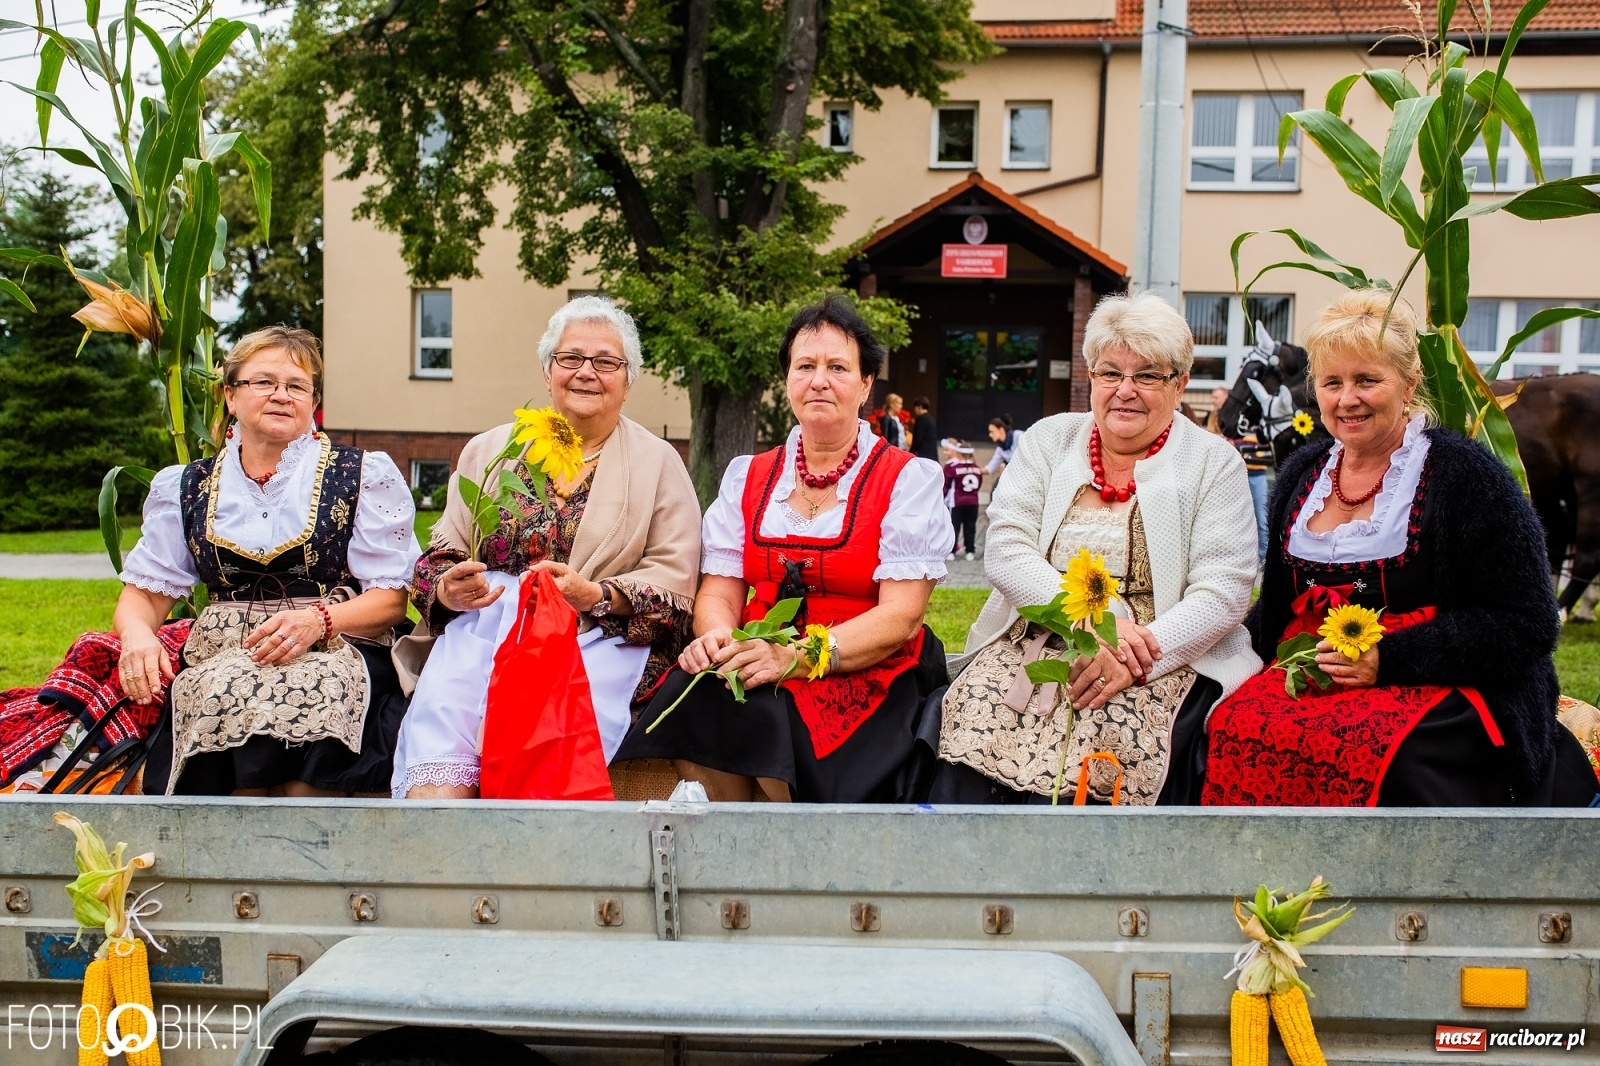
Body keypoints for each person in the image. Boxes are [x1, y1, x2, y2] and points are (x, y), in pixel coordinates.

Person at [1202, 289, 1598, 807]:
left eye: (1368, 380)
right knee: (1227, 723)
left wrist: (1388, 660)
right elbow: (1276, 606)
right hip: (1315, 674)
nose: (1348, 399)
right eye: (1332, 382)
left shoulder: (1466, 475)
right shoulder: (1304, 473)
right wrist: (1205, 655)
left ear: (1409, 384)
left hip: (1444, 684)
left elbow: (1526, 622)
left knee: (1378, 750)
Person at [613, 296, 952, 802]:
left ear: (865, 386)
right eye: (805, 366)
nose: (819, 380)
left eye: (838, 367)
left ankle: (786, 859)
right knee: (697, 694)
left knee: (772, 714)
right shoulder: (749, 475)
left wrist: (796, 656)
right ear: (788, 380)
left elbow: (900, 618)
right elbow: (720, 594)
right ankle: (733, 843)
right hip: (760, 652)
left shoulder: (907, 479)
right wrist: (719, 640)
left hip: (864, 664)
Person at [928, 292, 1261, 805]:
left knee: (1112, 730)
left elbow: (1225, 589)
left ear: (1179, 385)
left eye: (1147, 376)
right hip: (1044, 631)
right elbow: (1007, 548)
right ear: (1092, 380)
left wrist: (1134, 656)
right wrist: (1089, 619)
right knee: (974, 713)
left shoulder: (1213, 463)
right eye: (1110, 374)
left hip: (1163, 652)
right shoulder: (1049, 440)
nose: (1125, 391)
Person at [391, 296, 702, 799]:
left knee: (544, 734)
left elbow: (675, 577)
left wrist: (594, 595)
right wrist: (450, 588)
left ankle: (535, 862)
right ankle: (442, 854)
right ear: (547, 371)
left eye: (606, 362)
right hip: (485, 630)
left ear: (628, 380)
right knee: (445, 725)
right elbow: (439, 556)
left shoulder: (659, 462)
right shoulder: (493, 450)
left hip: (595, 637)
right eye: (570, 358)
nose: (586, 373)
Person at [116, 327, 420, 795]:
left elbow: (392, 600)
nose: (281, 395)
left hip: (334, 641)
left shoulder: (361, 473)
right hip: (222, 649)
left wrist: (318, 621)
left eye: (296, 386)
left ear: (312, 401)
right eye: (263, 382)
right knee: (222, 689)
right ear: (230, 397)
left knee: (298, 745)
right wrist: (137, 637)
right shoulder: (186, 485)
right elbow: (144, 595)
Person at [1208, 385, 1271, 564]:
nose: (1214, 401)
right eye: (1213, 397)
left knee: (1261, 516)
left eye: (1217, 397)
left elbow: (1263, 443)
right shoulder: (1216, 417)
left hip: (1256, 472)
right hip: (1230, 475)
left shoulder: (1254, 416)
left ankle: (1265, 558)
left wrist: (1240, 448)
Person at [942, 439, 982, 561]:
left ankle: (952, 552)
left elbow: (946, 485)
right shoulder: (977, 469)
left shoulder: (954, 468)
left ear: (959, 454)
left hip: (957, 502)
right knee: (970, 527)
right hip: (973, 502)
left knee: (954, 527)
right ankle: (970, 551)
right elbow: (979, 483)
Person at [984, 415, 1022, 480]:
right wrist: (973, 470)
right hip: (1016, 477)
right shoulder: (1000, 449)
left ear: (1001, 430)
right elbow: (989, 468)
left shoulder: (1018, 436)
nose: (990, 435)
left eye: (992, 431)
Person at [910, 397, 940, 462]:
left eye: (915, 407)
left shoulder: (920, 420)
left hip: (923, 454)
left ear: (920, 407)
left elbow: (917, 439)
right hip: (932, 453)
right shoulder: (931, 419)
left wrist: (910, 453)